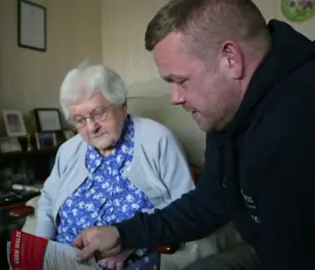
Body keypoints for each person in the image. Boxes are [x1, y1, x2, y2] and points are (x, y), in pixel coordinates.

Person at [72, 0, 315, 269]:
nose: (175, 97)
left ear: (230, 59)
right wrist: (123, 233)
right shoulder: (227, 111)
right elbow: (210, 202)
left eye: (180, 80)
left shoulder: (313, 120)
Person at [35, 62, 218, 270]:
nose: (91, 127)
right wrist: (40, 252)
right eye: (79, 120)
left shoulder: (158, 140)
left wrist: (128, 242)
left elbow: (185, 205)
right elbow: (48, 199)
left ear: (122, 105)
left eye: (98, 113)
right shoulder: (68, 151)